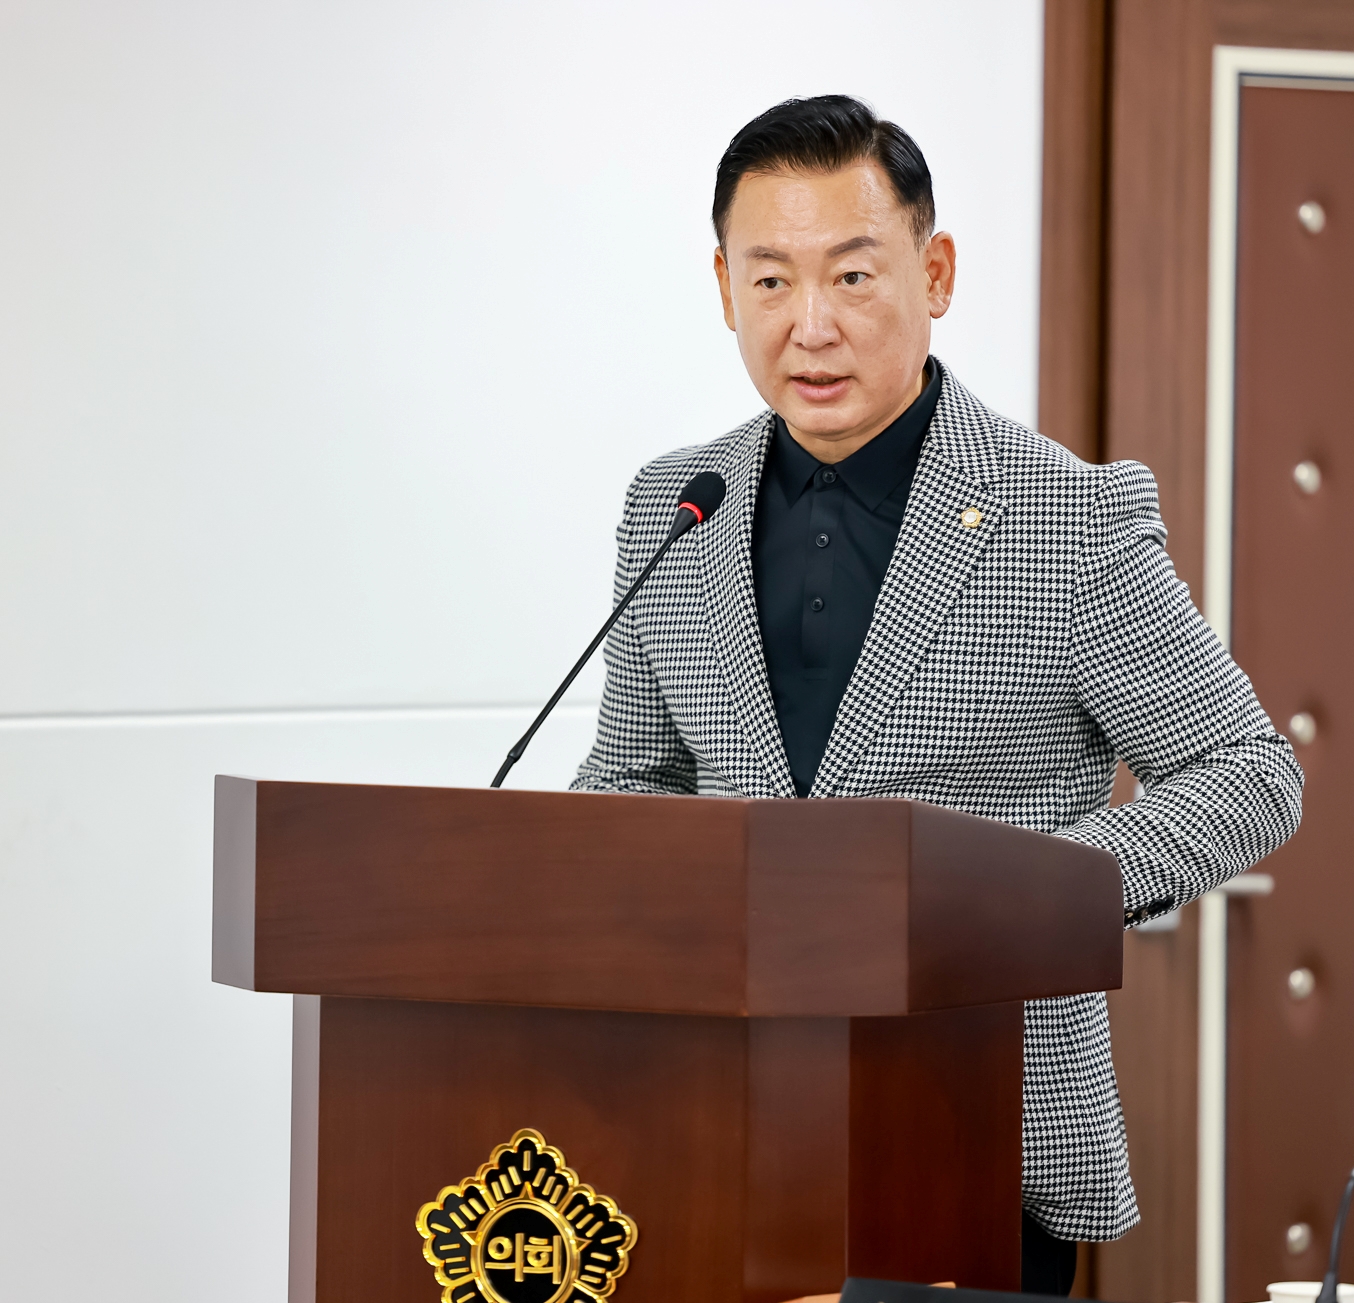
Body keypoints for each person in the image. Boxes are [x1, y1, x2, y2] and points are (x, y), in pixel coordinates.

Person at [570, 94, 1302, 1296]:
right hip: (711, 1112)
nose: (810, 326)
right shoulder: (676, 504)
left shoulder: (1066, 517)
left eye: (852, 276)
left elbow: (1248, 775)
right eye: (769, 281)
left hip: (978, 1124)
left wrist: (1020, 893)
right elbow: (633, 777)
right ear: (723, 289)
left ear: (936, 272)